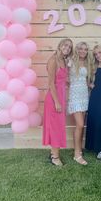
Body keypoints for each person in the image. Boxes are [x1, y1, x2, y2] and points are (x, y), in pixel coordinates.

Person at [42, 38, 73, 166]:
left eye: (70, 47)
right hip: (54, 98)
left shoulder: (64, 61)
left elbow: (61, 80)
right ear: (60, 46)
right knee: (55, 127)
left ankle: (53, 153)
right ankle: (55, 157)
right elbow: (51, 83)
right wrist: (57, 102)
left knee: (58, 126)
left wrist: (68, 82)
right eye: (65, 45)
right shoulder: (53, 60)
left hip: (61, 96)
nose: (67, 48)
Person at [68, 41, 91, 165]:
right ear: (77, 50)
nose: (83, 51)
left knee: (80, 126)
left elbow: (84, 80)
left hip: (84, 95)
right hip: (75, 95)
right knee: (80, 125)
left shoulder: (87, 63)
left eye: (85, 49)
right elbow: (64, 77)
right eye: (81, 49)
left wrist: (91, 85)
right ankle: (77, 154)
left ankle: (79, 150)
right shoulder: (70, 62)